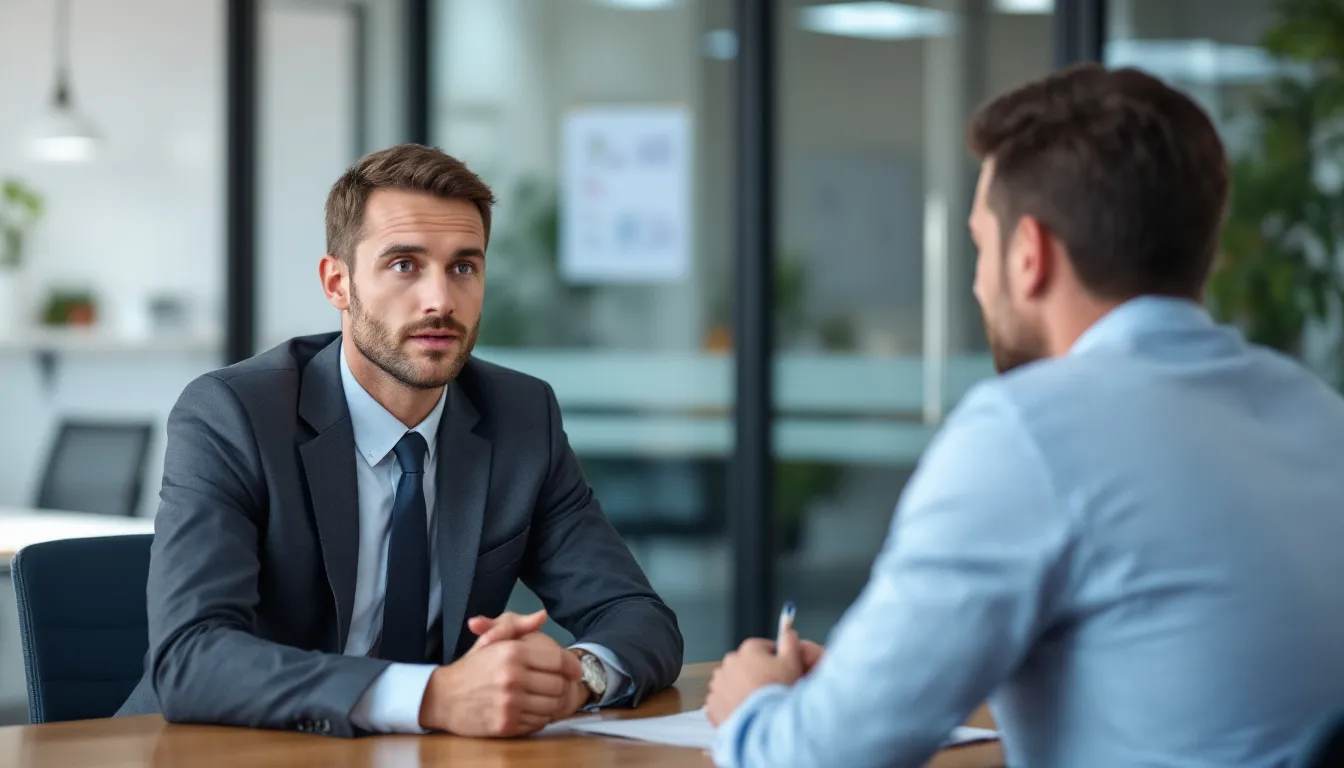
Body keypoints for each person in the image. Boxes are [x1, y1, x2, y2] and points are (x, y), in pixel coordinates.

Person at [704, 63, 1344, 767]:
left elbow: (813, 759)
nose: (979, 283)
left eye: (981, 246)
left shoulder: (1029, 431)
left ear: (1030, 255)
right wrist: (867, 689)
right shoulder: (1315, 412)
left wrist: (755, 705)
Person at [116, 144, 683, 738]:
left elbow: (637, 616)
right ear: (338, 283)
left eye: (464, 267)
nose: (440, 300)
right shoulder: (234, 416)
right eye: (405, 265)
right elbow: (191, 658)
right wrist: (433, 696)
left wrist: (574, 677)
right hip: (224, 749)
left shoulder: (521, 417)